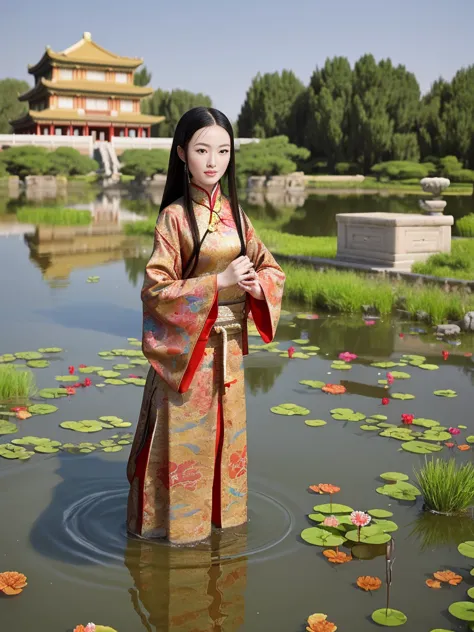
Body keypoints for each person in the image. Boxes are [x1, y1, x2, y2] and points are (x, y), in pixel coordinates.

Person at [126, 107, 285, 545]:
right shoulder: (173, 218)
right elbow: (156, 291)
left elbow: (272, 268)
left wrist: (255, 285)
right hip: (188, 356)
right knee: (184, 441)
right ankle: (175, 532)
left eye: (223, 150)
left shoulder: (238, 215)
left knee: (226, 439)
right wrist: (219, 282)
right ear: (181, 154)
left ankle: (223, 527)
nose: (213, 161)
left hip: (228, 354)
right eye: (201, 150)